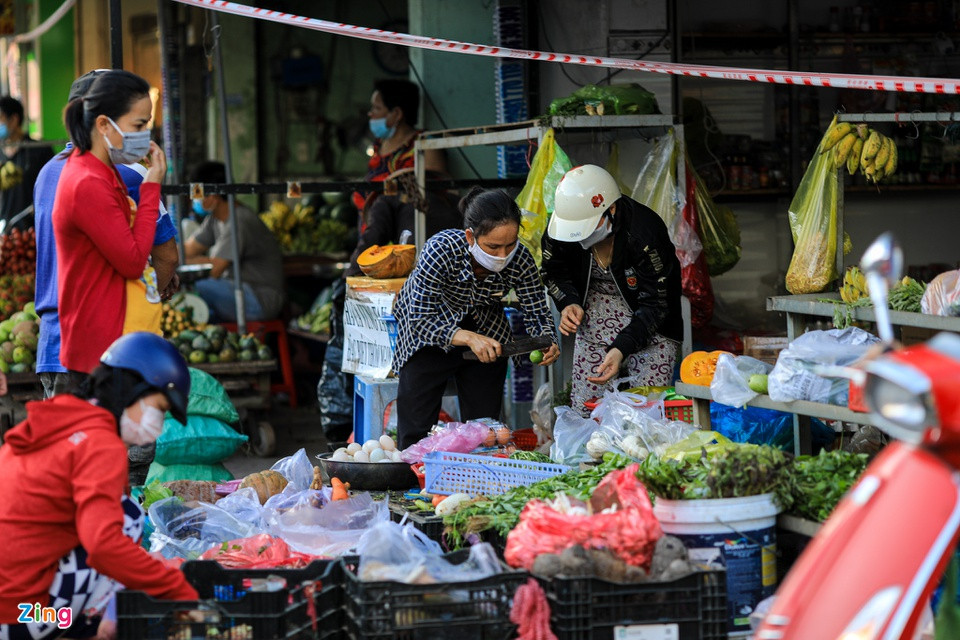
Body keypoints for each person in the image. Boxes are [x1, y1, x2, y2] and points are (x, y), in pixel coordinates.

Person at [0, 332, 198, 640]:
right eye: (158, 407)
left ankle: (87, 628)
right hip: (20, 618)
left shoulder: (63, 419)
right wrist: (178, 592)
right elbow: (104, 547)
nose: (158, 423)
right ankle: (88, 628)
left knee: (108, 526)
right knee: (129, 517)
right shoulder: (100, 443)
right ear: (133, 389)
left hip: (10, 608)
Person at [35, 69, 180, 400]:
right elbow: (157, 258)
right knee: (108, 448)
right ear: (103, 123)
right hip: (103, 342)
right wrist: (152, 182)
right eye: (138, 125)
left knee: (86, 447)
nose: (145, 134)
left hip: (57, 338)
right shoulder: (103, 178)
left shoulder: (49, 172)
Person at [317, 78, 447, 443]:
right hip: (374, 245)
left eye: (376, 109)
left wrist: (411, 182)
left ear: (397, 113)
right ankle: (345, 422)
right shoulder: (377, 147)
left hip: (407, 247)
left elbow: (438, 194)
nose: (371, 116)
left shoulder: (423, 147)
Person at [393, 187, 560, 449]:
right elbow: (420, 318)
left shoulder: (521, 260)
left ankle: (478, 476)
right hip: (428, 331)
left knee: (486, 432)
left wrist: (547, 342)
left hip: (486, 329)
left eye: (510, 244)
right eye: (493, 246)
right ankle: (417, 477)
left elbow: (538, 311)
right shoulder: (441, 249)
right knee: (416, 430)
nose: (503, 255)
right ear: (471, 236)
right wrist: (468, 338)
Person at [541, 164, 683, 414]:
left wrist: (621, 347)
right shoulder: (562, 227)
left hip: (650, 318)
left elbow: (658, 303)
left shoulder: (645, 233)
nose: (578, 238)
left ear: (612, 210)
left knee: (646, 413)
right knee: (586, 409)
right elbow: (553, 272)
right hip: (595, 315)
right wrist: (568, 302)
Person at [184, 161, 285, 323]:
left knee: (197, 287)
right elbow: (189, 248)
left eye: (197, 194)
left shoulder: (239, 221)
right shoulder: (214, 220)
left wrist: (178, 264)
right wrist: (158, 254)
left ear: (213, 195)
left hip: (260, 299)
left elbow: (215, 269)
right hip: (235, 291)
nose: (193, 200)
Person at [0, 96, 53, 232]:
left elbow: (53, 191)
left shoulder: (40, 150)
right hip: (3, 232)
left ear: (13, 120)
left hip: (33, 233)